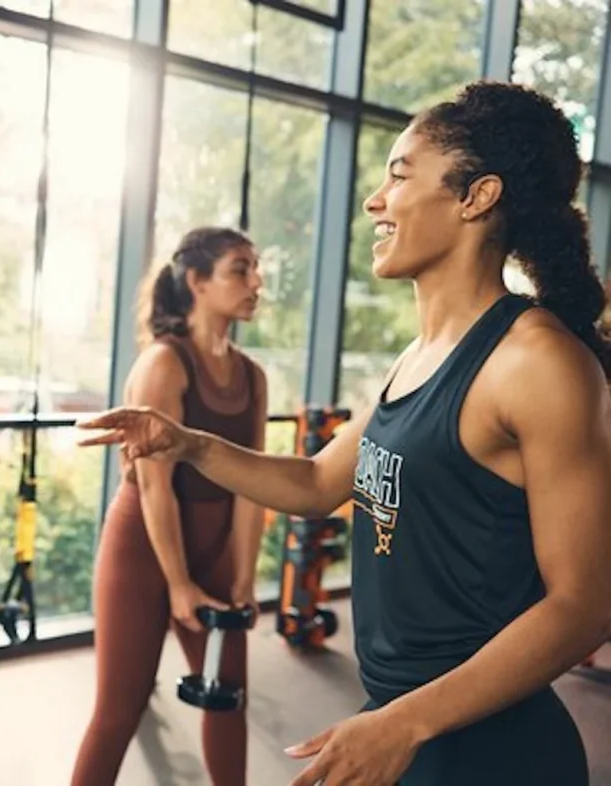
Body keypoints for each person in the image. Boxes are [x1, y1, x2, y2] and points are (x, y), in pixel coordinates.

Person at [77, 79, 611, 786]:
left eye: (400, 175)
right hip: (401, 721)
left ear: (476, 197)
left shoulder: (537, 362)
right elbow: (315, 483)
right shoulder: (418, 357)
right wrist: (189, 443)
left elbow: (584, 607)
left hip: (484, 747)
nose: (374, 201)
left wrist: (407, 723)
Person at [70, 226, 269, 786]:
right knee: (119, 710)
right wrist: (179, 583)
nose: (256, 282)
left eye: (256, 270)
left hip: (215, 546)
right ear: (197, 282)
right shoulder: (164, 363)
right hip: (143, 544)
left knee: (228, 697)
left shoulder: (253, 377)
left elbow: (251, 484)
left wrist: (243, 579)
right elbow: (156, 485)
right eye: (241, 269)